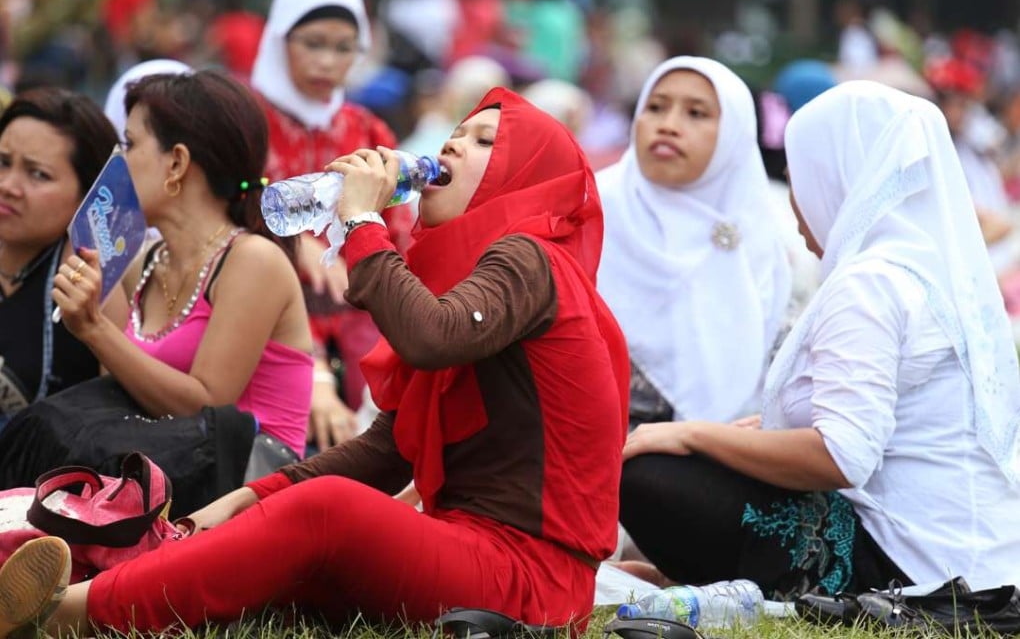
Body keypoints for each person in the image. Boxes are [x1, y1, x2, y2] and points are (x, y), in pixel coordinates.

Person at [0, 88, 630, 637]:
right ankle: (49, 574)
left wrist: (359, 218)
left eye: (485, 140)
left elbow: (430, 338)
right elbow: (388, 449)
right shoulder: (473, 282)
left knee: (326, 512)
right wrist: (246, 499)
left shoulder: (533, 259)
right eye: (456, 132)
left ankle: (62, 615)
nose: (454, 147)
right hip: (472, 555)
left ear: (526, 178)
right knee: (265, 547)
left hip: (531, 583)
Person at [618, 81, 1020, 597]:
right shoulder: (924, 273)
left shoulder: (870, 284)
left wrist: (693, 434)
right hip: (973, 553)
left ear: (836, 178)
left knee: (650, 473)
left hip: (912, 564)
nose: (797, 204)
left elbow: (843, 456)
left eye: (799, 180)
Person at [0, 71, 313, 482]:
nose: (117, 161)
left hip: (247, 497)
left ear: (177, 162)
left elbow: (206, 406)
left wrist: (94, 328)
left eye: (130, 144)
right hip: (169, 490)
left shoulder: (253, 261)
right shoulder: (144, 261)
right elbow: (115, 405)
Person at [250, 0, 410, 450]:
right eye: (313, 43)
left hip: (358, 315)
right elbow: (228, 199)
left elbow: (398, 231)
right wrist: (288, 239)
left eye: (345, 48)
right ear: (280, 39)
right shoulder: (245, 120)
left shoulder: (367, 130)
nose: (327, 61)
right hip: (264, 315)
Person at [597, 56, 791, 427]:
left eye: (697, 114)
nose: (668, 126)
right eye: (655, 108)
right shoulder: (589, 208)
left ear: (735, 133)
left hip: (723, 454)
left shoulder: (759, 228)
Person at [0, 88, 123, 425]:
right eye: (3, 162)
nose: (9, 185)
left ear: (88, 194)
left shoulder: (99, 282)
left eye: (38, 174)